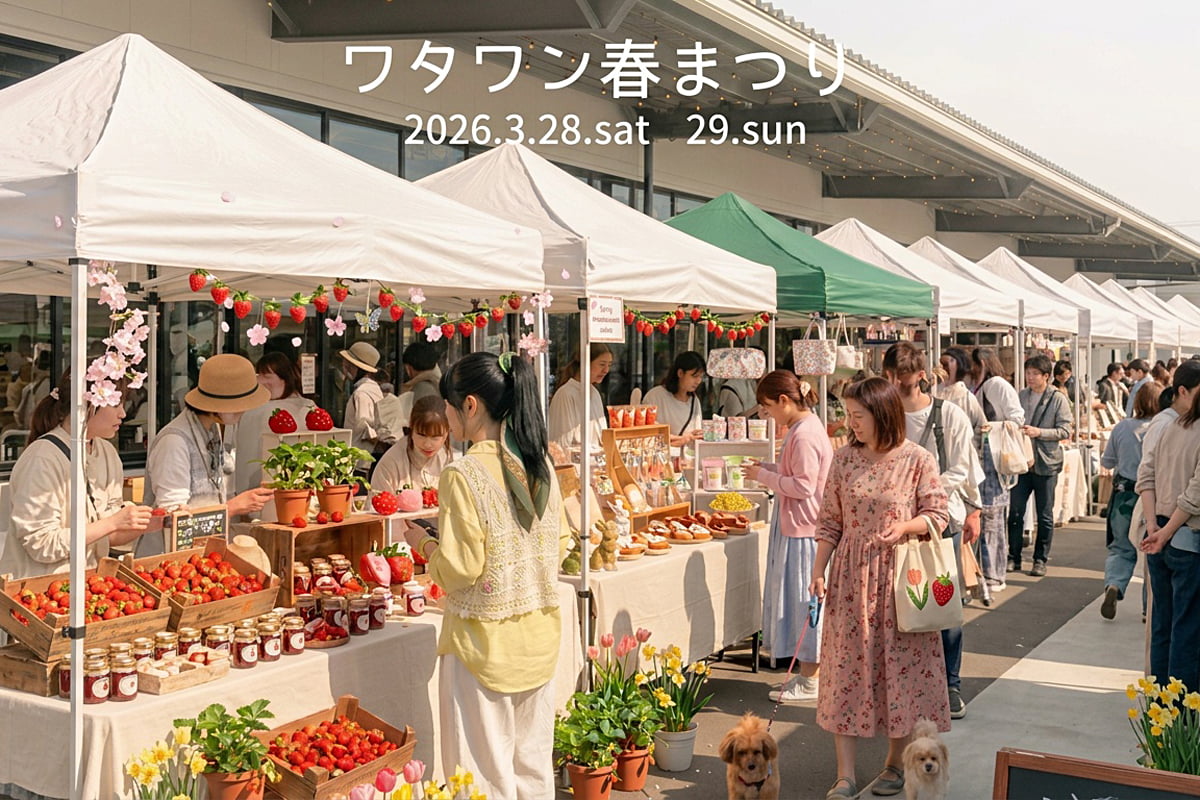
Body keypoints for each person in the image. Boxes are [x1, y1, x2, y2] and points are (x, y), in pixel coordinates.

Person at [402, 352, 569, 798]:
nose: (448, 419)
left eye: (450, 408)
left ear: (470, 406)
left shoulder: (464, 473)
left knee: (480, 778)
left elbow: (458, 570)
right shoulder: (541, 465)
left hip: (482, 646)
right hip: (539, 639)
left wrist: (424, 545)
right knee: (532, 769)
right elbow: (564, 544)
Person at [811, 377, 950, 800]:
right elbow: (829, 521)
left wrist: (906, 526)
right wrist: (818, 570)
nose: (850, 423)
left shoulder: (917, 459)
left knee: (900, 672)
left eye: (858, 416)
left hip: (901, 578)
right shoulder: (844, 460)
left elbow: (938, 514)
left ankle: (894, 764)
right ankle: (845, 775)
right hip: (851, 579)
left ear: (883, 413)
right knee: (845, 673)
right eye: (848, 415)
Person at [885, 342, 981, 721]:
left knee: (942, 605)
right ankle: (910, 682)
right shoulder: (886, 413)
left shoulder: (949, 416)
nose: (895, 387)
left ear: (922, 377)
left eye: (902, 382)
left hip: (941, 521)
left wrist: (926, 489)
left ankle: (950, 684)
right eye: (890, 380)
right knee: (902, 603)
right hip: (896, 525)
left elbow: (963, 468)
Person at [1, 375, 154, 578]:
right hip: (39, 592)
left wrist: (150, 521)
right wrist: (113, 522)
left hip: (89, 584)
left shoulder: (106, 451)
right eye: (115, 403)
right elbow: (42, 545)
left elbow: (106, 536)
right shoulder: (42, 458)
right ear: (88, 403)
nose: (123, 413)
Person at [742, 370, 832, 700]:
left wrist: (764, 476)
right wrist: (768, 468)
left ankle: (811, 679)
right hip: (802, 527)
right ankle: (809, 674)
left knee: (803, 606)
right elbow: (797, 474)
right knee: (801, 606)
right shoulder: (804, 428)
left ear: (784, 401)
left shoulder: (804, 433)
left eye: (768, 407)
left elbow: (805, 486)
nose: (768, 414)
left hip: (804, 530)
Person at [141, 354, 274, 555]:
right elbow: (171, 518)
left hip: (203, 555)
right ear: (217, 405)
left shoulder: (212, 430)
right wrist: (233, 507)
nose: (245, 410)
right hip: (167, 562)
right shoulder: (174, 441)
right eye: (240, 403)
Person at [1137, 360, 1200, 693]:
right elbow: (1193, 497)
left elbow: (1146, 477)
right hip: (1183, 537)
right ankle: (1180, 717)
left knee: (1164, 625)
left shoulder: (1169, 426)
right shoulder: (1173, 426)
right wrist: (1164, 530)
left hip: (1162, 532)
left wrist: (1154, 527)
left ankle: (1160, 709)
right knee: (1185, 630)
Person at [1100, 381, 1161, 620]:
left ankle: (1114, 584)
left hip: (1124, 492)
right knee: (1152, 553)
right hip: (1153, 495)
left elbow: (1107, 462)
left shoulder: (1122, 427)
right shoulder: (1162, 428)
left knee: (1120, 547)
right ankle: (1149, 608)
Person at [1007, 354, 1073, 577]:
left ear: (1046, 376)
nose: (1030, 377)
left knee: (1045, 514)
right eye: (1028, 373)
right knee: (1015, 510)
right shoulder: (1021, 395)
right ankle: (1013, 556)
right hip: (1023, 461)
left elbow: (1065, 430)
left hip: (1046, 462)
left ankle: (1040, 559)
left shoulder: (1057, 399)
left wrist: (1039, 432)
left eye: (1035, 374)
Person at [970, 347, 1025, 589]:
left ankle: (994, 574)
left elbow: (1017, 418)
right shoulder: (980, 385)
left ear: (980, 363)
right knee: (984, 516)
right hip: (982, 457)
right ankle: (986, 572)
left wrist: (991, 427)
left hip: (994, 458)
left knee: (992, 516)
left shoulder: (997, 384)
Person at [234, 352, 310, 493]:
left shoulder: (306, 406)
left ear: (285, 379)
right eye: (259, 376)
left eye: (267, 376)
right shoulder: (254, 410)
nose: (262, 381)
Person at [373, 395, 454, 493]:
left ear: (447, 432)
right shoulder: (391, 464)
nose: (428, 444)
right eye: (421, 435)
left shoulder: (447, 457)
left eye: (435, 437)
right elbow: (378, 503)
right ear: (411, 427)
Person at [547, 343, 612, 450]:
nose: (606, 370)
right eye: (602, 364)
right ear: (586, 363)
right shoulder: (565, 394)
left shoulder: (595, 393)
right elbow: (561, 444)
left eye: (609, 365)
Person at [643, 351, 706, 452]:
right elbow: (647, 434)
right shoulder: (655, 396)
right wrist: (683, 439)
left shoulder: (694, 402)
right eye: (694, 376)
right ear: (680, 373)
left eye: (701, 376)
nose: (698, 381)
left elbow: (696, 436)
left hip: (687, 460)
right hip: (660, 460)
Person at [339, 341, 384, 476]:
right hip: (367, 458)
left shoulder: (361, 393)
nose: (344, 367)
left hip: (361, 460)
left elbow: (366, 428)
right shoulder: (374, 389)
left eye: (348, 364)